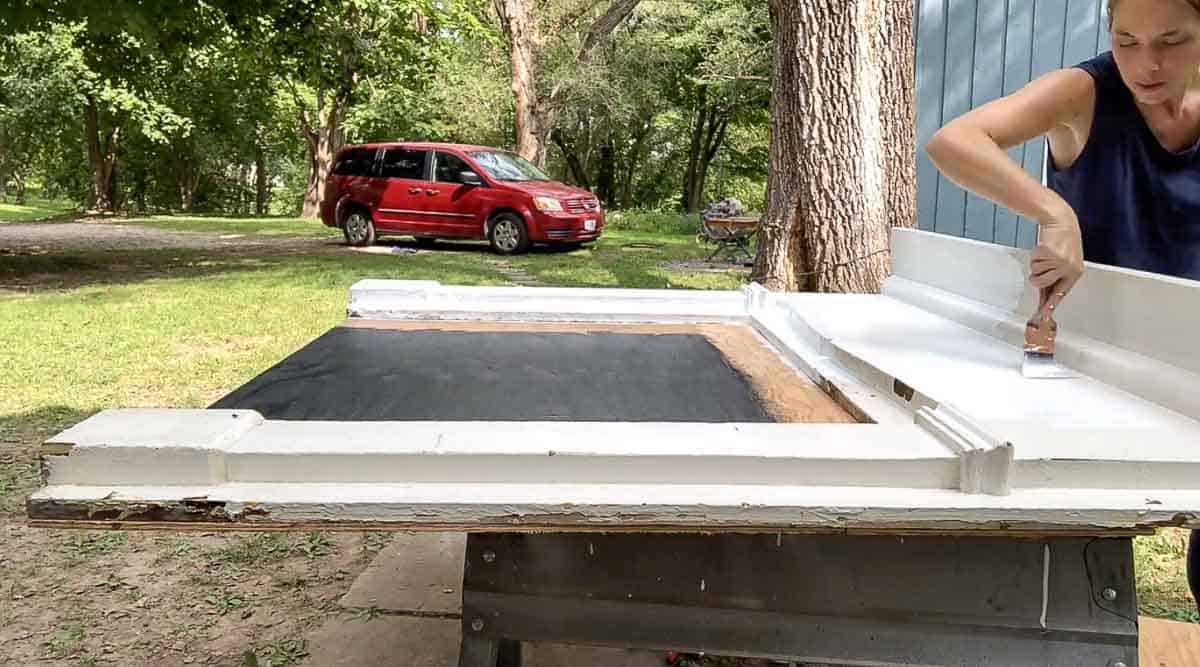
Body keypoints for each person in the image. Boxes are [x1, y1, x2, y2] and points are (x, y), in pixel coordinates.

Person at [925, 0, 1200, 614]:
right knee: (1069, 551)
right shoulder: (1085, 91)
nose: (1145, 64)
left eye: (1171, 41)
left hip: (1191, 349)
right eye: (1127, 41)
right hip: (1095, 357)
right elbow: (954, 141)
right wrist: (1054, 211)